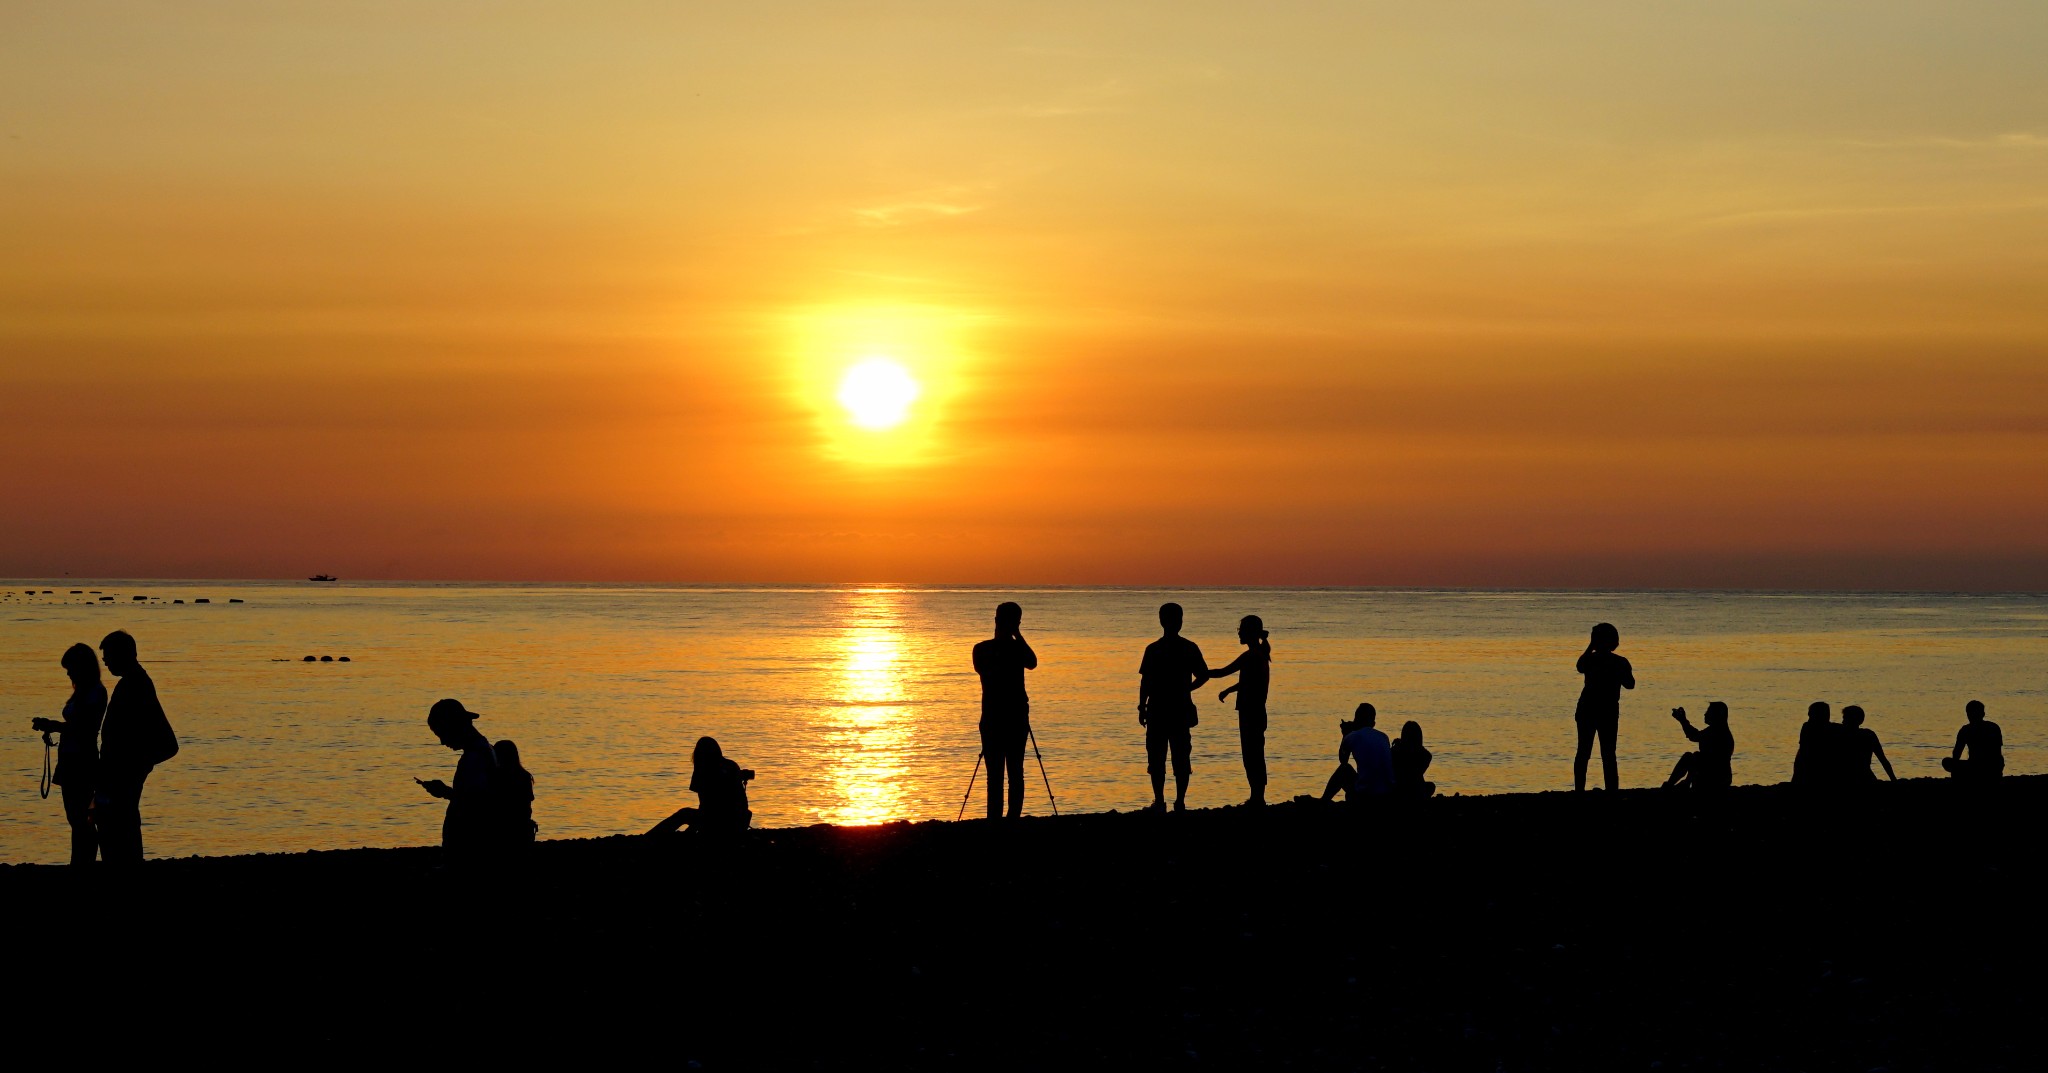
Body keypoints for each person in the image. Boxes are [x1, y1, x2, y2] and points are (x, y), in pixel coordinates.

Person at [95, 630, 178, 865]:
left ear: (124, 654)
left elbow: (168, 744)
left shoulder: (137, 685)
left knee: (121, 828)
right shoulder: (132, 683)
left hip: (122, 774)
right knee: (119, 826)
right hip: (117, 773)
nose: (106, 662)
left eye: (108, 656)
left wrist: (138, 765)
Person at [29, 644, 108, 866]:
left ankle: (84, 862)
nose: (68, 673)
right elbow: (76, 726)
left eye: (70, 668)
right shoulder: (85, 692)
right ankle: (80, 861)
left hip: (82, 761)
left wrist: (53, 726)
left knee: (81, 817)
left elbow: (84, 728)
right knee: (75, 816)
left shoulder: (95, 693)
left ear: (81, 667)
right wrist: (52, 727)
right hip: (71, 759)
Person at [1138, 602, 1209, 813]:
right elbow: (1203, 676)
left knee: (1159, 757)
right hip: (1176, 709)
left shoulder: (1154, 649)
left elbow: (1146, 682)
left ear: (1161, 621)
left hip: (1161, 709)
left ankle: (1162, 802)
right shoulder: (1188, 647)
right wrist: (1187, 688)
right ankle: (1178, 802)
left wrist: (1142, 707)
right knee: (1178, 757)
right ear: (1180, 621)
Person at [971, 601, 1037, 820]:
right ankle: (997, 819)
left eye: (1016, 622)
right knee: (998, 774)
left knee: (1013, 772)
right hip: (995, 717)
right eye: (1013, 621)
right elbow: (985, 670)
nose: (1014, 625)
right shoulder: (982, 649)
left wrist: (1017, 636)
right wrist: (1015, 640)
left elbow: (1032, 663)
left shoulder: (1013, 648)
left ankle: (1011, 818)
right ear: (998, 621)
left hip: (1011, 717)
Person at [417, 699, 499, 863]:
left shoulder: (475, 757)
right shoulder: (483, 751)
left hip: (469, 850)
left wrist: (445, 792)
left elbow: (476, 802)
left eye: (442, 733)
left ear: (454, 727)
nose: (442, 741)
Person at [1210, 615, 1273, 806]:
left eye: (1241, 630)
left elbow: (1222, 671)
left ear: (1249, 632)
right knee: (1254, 753)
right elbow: (1249, 682)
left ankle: (1257, 797)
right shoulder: (1259, 654)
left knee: (1251, 755)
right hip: (1255, 711)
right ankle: (1257, 796)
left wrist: (1201, 672)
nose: (1239, 633)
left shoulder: (1251, 655)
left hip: (1250, 712)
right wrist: (1229, 690)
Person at [649, 736, 755, 835]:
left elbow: (706, 806)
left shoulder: (703, 768)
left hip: (719, 824)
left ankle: (651, 837)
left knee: (684, 814)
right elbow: (741, 802)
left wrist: (691, 830)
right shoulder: (731, 765)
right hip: (739, 823)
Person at [1573, 623, 1635, 792]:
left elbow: (1580, 666)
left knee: (1583, 752)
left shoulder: (1591, 659)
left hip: (1588, 709)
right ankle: (1611, 790)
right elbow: (1630, 684)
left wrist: (1591, 647)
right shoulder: (1620, 662)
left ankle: (1580, 790)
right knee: (1608, 753)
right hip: (1606, 711)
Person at [1320, 703, 1394, 801]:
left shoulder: (1353, 736)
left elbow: (1343, 760)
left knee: (1344, 770)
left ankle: (1323, 801)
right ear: (1373, 723)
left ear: (1356, 720)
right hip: (1386, 794)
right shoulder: (1384, 737)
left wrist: (1345, 734)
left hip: (1366, 795)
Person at [1662, 702, 1734, 792]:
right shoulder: (1720, 730)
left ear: (1716, 715)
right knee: (1697, 756)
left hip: (1715, 779)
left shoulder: (1716, 732)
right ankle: (1685, 783)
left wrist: (1683, 720)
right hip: (1722, 779)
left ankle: (1669, 786)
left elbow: (1694, 736)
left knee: (1689, 757)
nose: (1705, 714)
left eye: (1708, 712)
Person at [1942, 700, 2004, 781]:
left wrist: (1956, 767)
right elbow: (1997, 752)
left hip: (1977, 766)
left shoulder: (1965, 730)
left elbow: (1957, 753)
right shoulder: (1993, 727)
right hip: (1993, 767)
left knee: (1946, 762)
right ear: (1983, 714)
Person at [494, 739, 537, 846]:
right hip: (522, 828)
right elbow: (527, 805)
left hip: (503, 829)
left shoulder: (496, 777)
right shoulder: (525, 776)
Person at [1839, 706, 1896, 784]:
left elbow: (1883, 760)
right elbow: (1883, 760)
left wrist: (1894, 780)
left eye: (1845, 718)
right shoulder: (1869, 735)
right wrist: (1893, 780)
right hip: (1866, 777)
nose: (1843, 722)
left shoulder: (1840, 735)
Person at [1792, 701, 1839, 789]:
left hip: (1810, 765)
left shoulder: (1807, 726)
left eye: (1811, 715)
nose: (1809, 718)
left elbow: (1803, 749)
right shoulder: (1835, 728)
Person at [1390, 720, 1435, 799]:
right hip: (1417, 790)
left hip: (1399, 790)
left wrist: (1400, 743)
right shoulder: (1424, 756)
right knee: (1431, 786)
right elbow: (1428, 754)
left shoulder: (1395, 752)